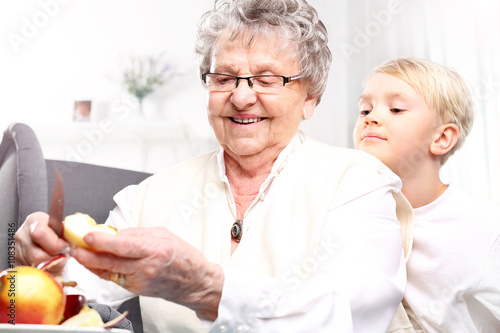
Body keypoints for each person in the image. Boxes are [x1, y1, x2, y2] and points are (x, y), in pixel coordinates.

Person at [15, 1, 413, 332]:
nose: (241, 97)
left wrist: (207, 287)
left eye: (266, 79)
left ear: (311, 97)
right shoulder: (148, 197)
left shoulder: (359, 181)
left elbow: (352, 312)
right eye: (224, 78)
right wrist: (38, 261)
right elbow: (77, 290)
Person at [353, 57, 500, 332]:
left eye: (396, 109)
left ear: (442, 138)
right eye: (364, 110)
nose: (371, 118)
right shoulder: (349, 214)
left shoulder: (485, 227)